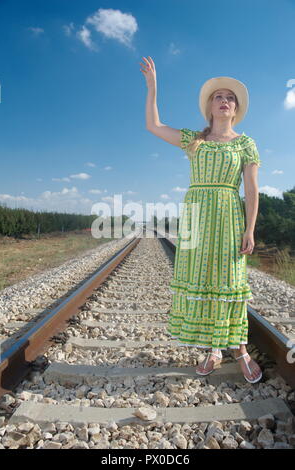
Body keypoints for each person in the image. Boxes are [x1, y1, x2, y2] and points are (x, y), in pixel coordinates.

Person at [140, 56, 262, 384]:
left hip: (228, 213)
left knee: (230, 280)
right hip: (196, 213)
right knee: (202, 275)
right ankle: (212, 348)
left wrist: (250, 229)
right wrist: (153, 87)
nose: (224, 101)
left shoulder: (246, 143)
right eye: (218, 97)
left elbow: (251, 191)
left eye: (230, 98)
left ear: (236, 109)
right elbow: (153, 125)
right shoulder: (195, 139)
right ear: (210, 107)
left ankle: (240, 348)